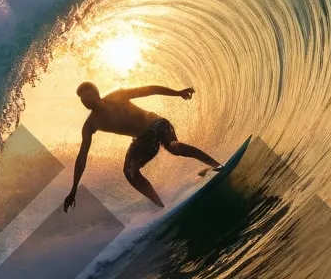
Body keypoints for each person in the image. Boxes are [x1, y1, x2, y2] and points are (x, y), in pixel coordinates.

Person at [64, 81, 220, 211]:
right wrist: (74, 189)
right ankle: (161, 207)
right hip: (143, 140)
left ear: (96, 93)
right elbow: (82, 156)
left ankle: (216, 165)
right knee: (129, 171)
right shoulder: (90, 124)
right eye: (82, 100)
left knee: (173, 147)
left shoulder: (118, 96)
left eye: (87, 97)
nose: (84, 101)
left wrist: (178, 93)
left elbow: (151, 90)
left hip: (157, 124)